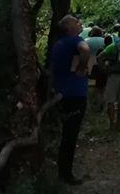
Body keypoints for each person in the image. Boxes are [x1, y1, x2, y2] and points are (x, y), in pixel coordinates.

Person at [50, 15, 91, 185]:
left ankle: (63, 170)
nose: (80, 23)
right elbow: (85, 49)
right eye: (76, 22)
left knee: (68, 134)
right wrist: (82, 68)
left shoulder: (58, 44)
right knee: (70, 136)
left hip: (63, 94)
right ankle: (66, 174)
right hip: (74, 95)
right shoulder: (74, 40)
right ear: (69, 27)